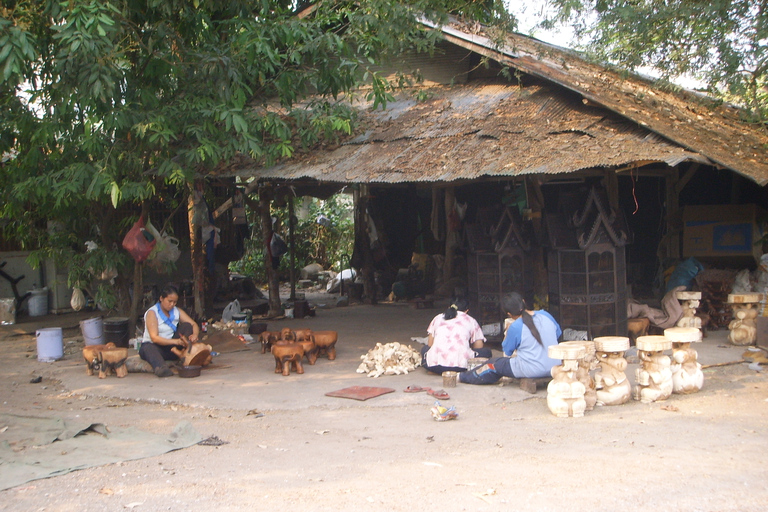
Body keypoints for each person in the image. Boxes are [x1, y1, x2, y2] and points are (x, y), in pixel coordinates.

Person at [459, 292, 561, 385]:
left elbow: (507, 352)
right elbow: (558, 334)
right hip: (555, 366)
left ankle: (463, 377)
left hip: (533, 370)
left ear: (509, 314)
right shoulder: (546, 315)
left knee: (494, 364)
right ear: (524, 302)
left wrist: (508, 333)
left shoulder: (516, 326)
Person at [139, 285, 200, 377]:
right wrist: (176, 341)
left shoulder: (176, 311)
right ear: (161, 299)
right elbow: (154, 338)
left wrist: (195, 334)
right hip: (155, 346)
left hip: (171, 348)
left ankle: (186, 353)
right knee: (148, 348)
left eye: (175, 302)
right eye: (169, 301)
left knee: (187, 326)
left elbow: (193, 324)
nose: (172, 304)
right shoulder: (152, 312)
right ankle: (161, 368)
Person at [421, 297, 493, 375]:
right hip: (461, 367)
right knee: (486, 352)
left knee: (425, 349)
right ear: (467, 310)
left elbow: (430, 344)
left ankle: (435, 371)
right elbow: (479, 346)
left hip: (434, 366)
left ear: (449, 307)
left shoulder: (437, 318)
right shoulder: (471, 320)